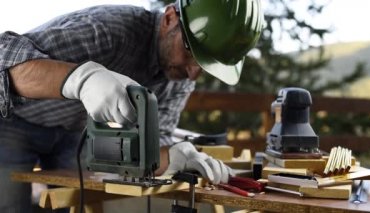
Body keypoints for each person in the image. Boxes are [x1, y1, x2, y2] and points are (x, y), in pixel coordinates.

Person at [0, 0, 263, 212]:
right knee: (10, 205)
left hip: (72, 131)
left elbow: (150, 148)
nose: (192, 74)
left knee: (82, 201)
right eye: (191, 53)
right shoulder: (108, 31)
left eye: (204, 66)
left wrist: (175, 156)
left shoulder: (180, 78)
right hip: (14, 122)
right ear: (170, 18)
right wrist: (80, 79)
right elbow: (4, 55)